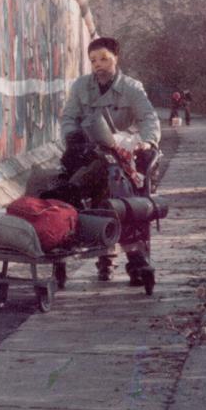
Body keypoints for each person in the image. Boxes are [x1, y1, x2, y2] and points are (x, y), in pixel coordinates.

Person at [57, 36, 161, 283]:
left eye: (104, 59)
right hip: (86, 152)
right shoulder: (81, 86)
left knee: (117, 187)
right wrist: (71, 136)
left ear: (116, 58)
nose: (98, 65)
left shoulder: (131, 87)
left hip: (122, 156)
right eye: (93, 60)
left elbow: (148, 117)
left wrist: (148, 142)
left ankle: (126, 257)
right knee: (82, 182)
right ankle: (117, 255)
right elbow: (69, 117)